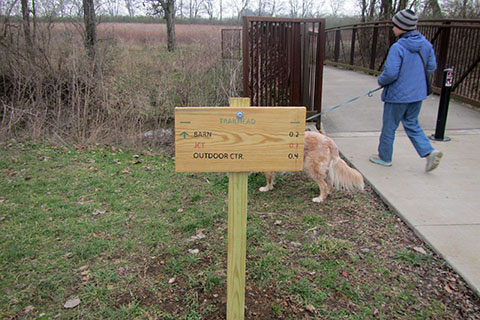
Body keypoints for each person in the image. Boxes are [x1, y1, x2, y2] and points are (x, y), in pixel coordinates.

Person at [369, 9, 443, 172]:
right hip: (417, 94)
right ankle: (429, 153)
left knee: (389, 127)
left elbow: (391, 73)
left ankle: (384, 157)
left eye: (395, 25)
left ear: (402, 27)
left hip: (397, 96)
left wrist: (381, 81)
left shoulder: (398, 47)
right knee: (412, 124)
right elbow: (431, 67)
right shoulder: (426, 44)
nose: (393, 28)